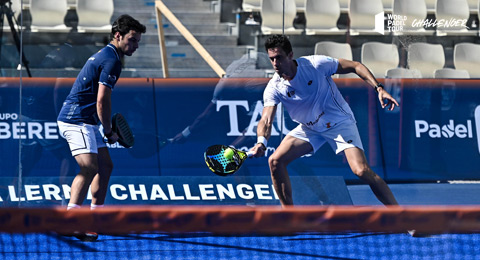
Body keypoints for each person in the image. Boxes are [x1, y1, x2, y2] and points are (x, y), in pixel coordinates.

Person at [249, 35, 399, 207]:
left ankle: (401, 216)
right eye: (272, 59)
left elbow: (356, 66)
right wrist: (261, 142)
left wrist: (378, 88)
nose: (275, 63)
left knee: (361, 170)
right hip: (310, 128)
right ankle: (288, 217)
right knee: (275, 161)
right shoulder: (273, 87)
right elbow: (266, 119)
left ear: (290, 55)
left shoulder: (315, 64)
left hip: (339, 122)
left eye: (279, 58)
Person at [56, 14, 146, 241]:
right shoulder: (112, 60)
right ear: (118, 35)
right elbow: (102, 101)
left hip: (85, 120)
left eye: (138, 41)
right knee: (89, 167)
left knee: (105, 165)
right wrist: (107, 131)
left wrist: (105, 129)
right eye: (132, 40)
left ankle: (97, 218)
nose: (135, 46)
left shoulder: (109, 55)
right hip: (76, 119)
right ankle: (70, 221)